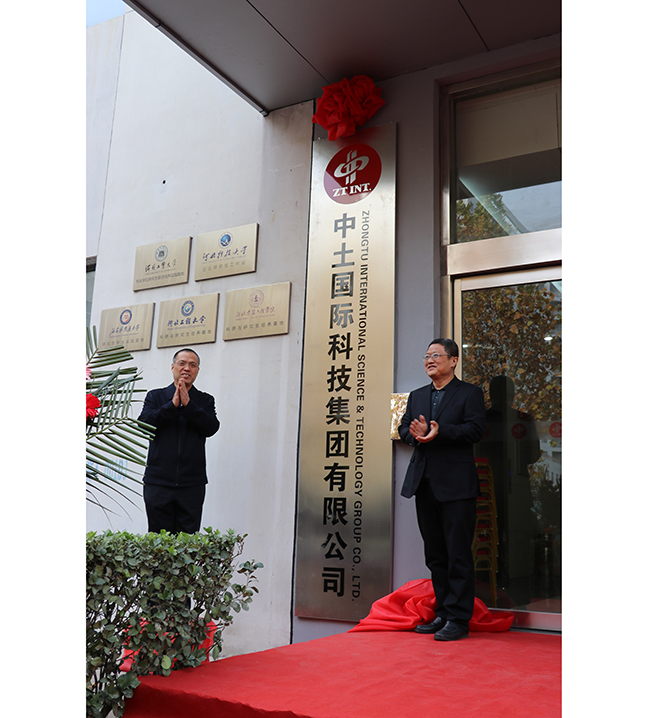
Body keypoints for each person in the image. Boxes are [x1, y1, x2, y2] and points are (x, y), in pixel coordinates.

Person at [399, 338, 486, 641]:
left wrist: (439, 431)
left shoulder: (470, 393)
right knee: (435, 554)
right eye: (427, 356)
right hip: (424, 484)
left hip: (457, 486)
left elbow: (476, 429)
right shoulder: (417, 396)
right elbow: (404, 427)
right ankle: (444, 613)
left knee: (458, 553)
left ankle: (459, 618)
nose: (430, 360)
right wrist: (415, 435)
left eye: (436, 355)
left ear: (453, 361)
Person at [139, 348, 220, 534]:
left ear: (197, 370)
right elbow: (144, 424)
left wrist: (189, 406)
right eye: (182, 363)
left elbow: (211, 427)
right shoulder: (155, 397)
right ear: (173, 367)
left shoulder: (205, 400)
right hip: (158, 483)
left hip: (192, 485)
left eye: (192, 365)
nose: (187, 368)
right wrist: (172, 406)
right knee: (159, 540)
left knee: (188, 542)